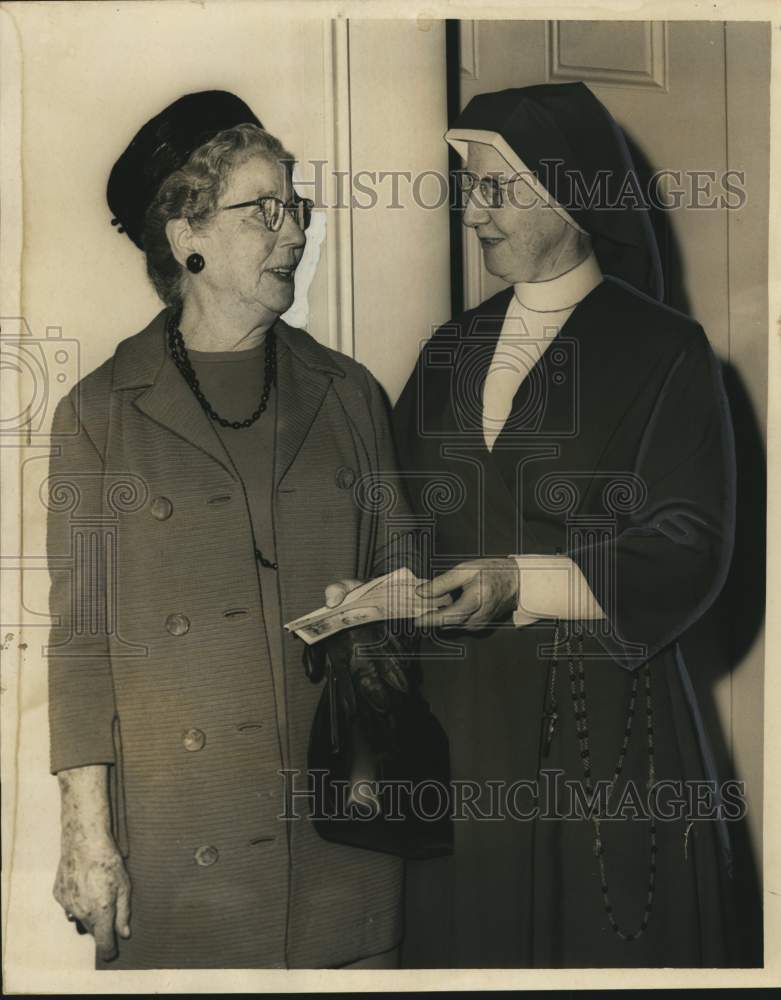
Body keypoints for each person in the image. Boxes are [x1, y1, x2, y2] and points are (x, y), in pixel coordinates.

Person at [47, 90, 412, 970]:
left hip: (339, 825)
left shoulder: (349, 392)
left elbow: (404, 568)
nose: (295, 233)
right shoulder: (100, 413)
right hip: (184, 838)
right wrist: (85, 840)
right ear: (187, 238)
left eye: (297, 208)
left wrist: (374, 621)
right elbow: (81, 643)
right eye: (265, 211)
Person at [392, 82, 740, 968]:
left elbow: (689, 544)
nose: (471, 211)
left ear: (565, 191)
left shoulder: (665, 350)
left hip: (605, 733)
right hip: (457, 734)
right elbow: (392, 514)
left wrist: (521, 581)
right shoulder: (447, 351)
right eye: (465, 187)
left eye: (492, 188)